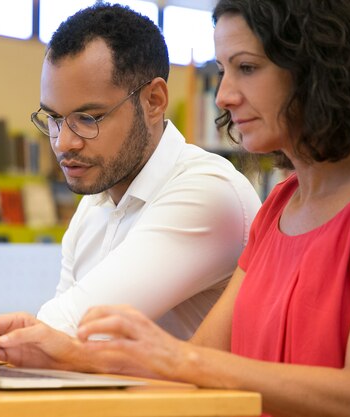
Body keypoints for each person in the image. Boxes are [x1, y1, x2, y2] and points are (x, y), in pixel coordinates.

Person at [0, 0, 350, 416]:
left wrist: (169, 358)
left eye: (247, 68)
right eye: (222, 71)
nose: (224, 96)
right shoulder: (280, 207)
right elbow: (196, 363)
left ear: (319, 66)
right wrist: (72, 354)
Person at [25, 4, 261, 340]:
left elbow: (75, 329)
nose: (64, 142)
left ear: (153, 100)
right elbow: (56, 334)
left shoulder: (208, 192)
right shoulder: (96, 202)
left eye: (88, 119)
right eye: (52, 119)